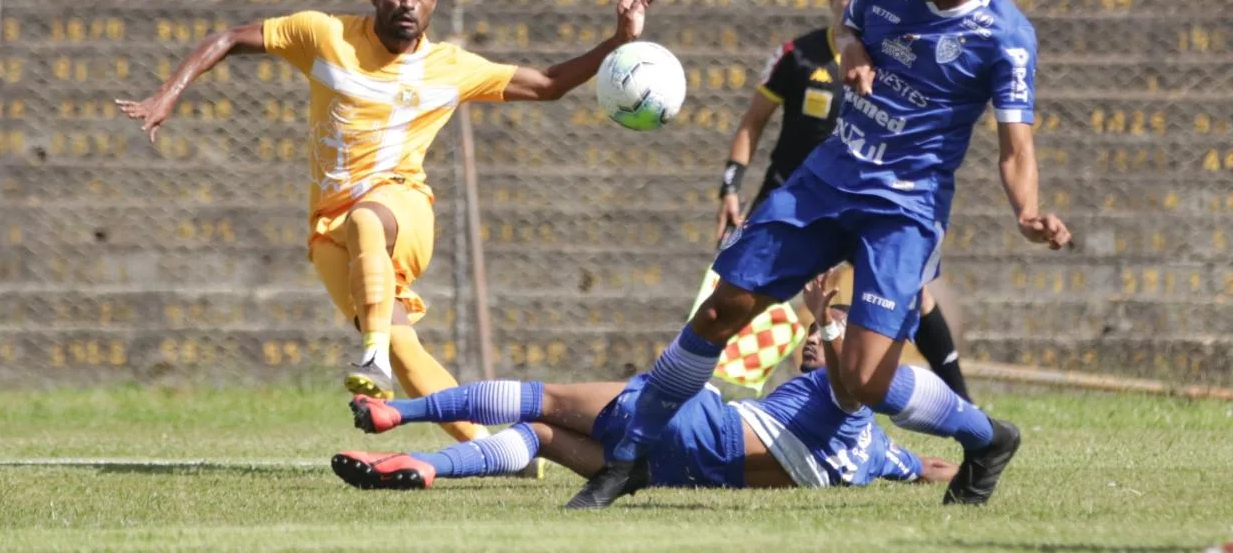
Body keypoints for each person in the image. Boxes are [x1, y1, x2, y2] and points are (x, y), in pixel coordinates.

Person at [568, 0, 1072, 510]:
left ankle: (988, 438)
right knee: (720, 309)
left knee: (861, 378)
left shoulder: (1008, 38)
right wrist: (854, 47)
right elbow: (851, 27)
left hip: (904, 210)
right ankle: (624, 459)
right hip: (825, 181)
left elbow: (1015, 146)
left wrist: (1027, 210)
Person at [117, 0, 657, 447]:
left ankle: (369, 358)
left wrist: (619, 40)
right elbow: (231, 37)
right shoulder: (324, 36)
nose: (407, 2)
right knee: (407, 349)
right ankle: (502, 450)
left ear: (434, 2)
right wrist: (167, 93)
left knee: (367, 221)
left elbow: (547, 83)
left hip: (403, 209)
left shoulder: (450, 67)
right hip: (329, 229)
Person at [330, 278, 958, 493]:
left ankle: (402, 411)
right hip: (679, 475)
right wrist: (976, 462)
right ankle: (430, 465)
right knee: (540, 437)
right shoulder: (877, 453)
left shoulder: (846, 402)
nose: (814, 342)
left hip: (689, 424)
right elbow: (930, 466)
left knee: (541, 398)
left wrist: (827, 314)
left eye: (829, 342)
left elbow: (854, 372)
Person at [718, 0, 971, 402]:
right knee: (749, 295)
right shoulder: (798, 56)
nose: (852, 1)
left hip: (863, 199)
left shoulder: (893, 56)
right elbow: (751, 123)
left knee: (917, 293)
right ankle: (746, 409)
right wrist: (731, 186)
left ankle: (963, 404)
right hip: (795, 198)